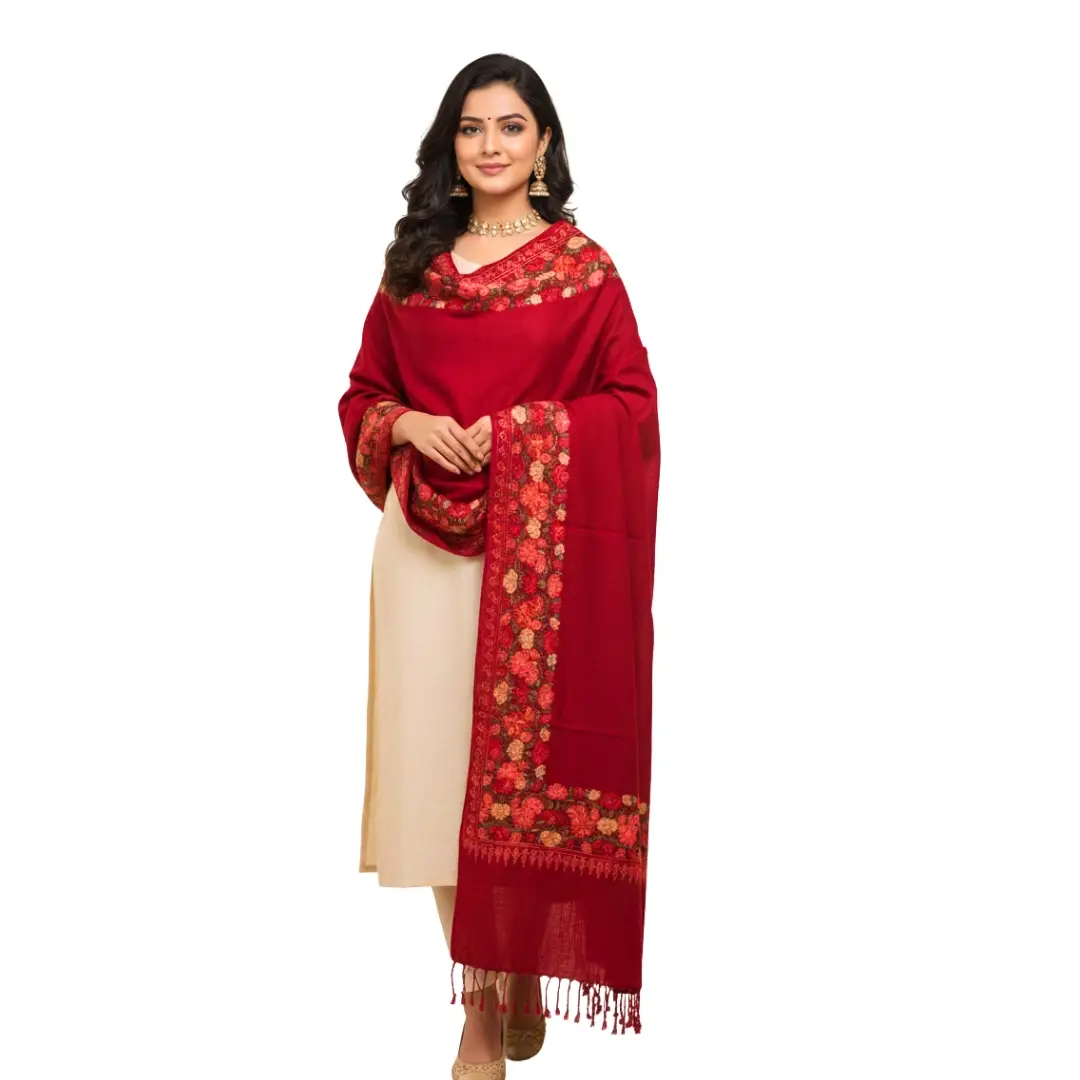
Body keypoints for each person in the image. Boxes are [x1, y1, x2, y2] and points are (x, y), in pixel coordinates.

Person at [338, 53, 660, 1079]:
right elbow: (362, 395)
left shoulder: (585, 273)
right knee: (438, 782)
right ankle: (489, 1000)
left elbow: (631, 408)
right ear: (451, 143)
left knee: (512, 784)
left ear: (543, 143)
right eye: (472, 128)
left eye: (511, 127)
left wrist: (521, 435)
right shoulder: (414, 269)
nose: (490, 145)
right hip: (422, 557)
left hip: (542, 567)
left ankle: (491, 1006)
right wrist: (409, 426)